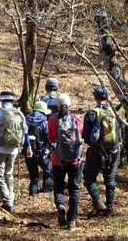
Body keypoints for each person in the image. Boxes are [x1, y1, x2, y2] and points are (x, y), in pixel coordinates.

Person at [83, 86, 122, 218]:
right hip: (114, 151)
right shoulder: (115, 113)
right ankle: (109, 208)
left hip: (97, 152)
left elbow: (86, 137)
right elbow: (121, 134)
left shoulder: (92, 113)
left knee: (88, 179)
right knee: (110, 180)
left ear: (95, 97)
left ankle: (99, 204)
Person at [0, 90, 28, 213]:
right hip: (14, 149)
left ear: (1, 100)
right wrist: (26, 146)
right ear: (12, 101)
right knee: (8, 173)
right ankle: (11, 196)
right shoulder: (19, 113)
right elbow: (25, 131)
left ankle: (7, 201)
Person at [48, 93, 83, 230]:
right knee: (74, 189)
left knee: (58, 186)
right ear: (69, 105)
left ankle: (61, 204)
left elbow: (50, 138)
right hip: (75, 160)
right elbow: (82, 137)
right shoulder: (78, 120)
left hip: (57, 159)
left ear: (57, 106)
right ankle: (72, 220)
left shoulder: (52, 120)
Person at [24, 101, 52, 196]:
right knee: (47, 170)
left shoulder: (26, 119)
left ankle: (33, 194)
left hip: (28, 150)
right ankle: (46, 190)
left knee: (33, 175)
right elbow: (48, 136)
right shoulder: (44, 121)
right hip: (42, 151)